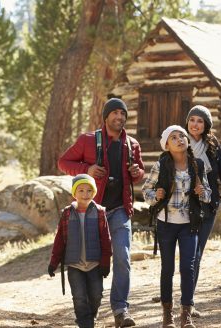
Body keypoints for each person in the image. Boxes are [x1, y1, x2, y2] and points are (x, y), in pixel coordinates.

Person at [58, 98, 145, 327]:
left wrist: (137, 172)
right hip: (92, 213)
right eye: (114, 113)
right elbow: (63, 162)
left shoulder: (132, 144)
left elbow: (139, 174)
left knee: (123, 259)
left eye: (122, 114)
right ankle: (90, 312)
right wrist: (86, 169)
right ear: (106, 117)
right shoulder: (88, 140)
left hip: (120, 211)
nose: (119, 117)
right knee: (91, 261)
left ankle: (120, 310)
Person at [142, 125, 211, 328]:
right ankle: (167, 314)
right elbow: (146, 191)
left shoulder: (197, 165)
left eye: (182, 135)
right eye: (174, 137)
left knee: (188, 268)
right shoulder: (162, 165)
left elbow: (208, 196)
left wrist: (201, 191)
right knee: (168, 268)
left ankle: (186, 315)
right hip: (166, 224)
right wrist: (156, 196)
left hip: (189, 225)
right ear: (167, 145)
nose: (180, 139)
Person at [184, 105, 221, 317]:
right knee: (188, 255)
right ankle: (178, 300)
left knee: (196, 255)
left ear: (206, 125)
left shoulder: (213, 145)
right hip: (185, 207)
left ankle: (188, 303)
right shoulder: (179, 141)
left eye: (199, 121)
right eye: (192, 120)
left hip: (208, 207)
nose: (195, 124)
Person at [48, 174, 112, 328]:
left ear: (94, 193)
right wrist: (53, 262)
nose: (85, 194)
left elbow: (106, 240)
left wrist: (105, 263)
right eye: (81, 190)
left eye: (89, 190)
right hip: (74, 265)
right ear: (74, 194)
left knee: (96, 295)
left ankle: (92, 315)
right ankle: (85, 323)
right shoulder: (67, 213)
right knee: (79, 296)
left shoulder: (99, 212)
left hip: (94, 264)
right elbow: (59, 240)